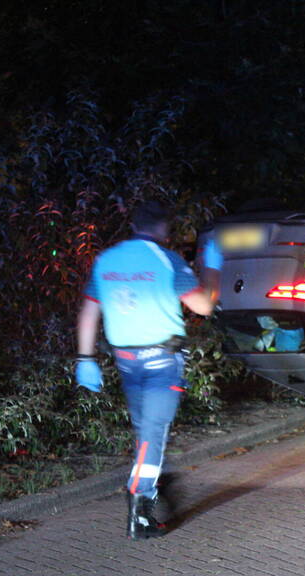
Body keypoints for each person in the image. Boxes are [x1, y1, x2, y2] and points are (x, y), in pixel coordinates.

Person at [75, 200, 214, 540]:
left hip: (126, 361)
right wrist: (213, 268)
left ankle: (151, 485)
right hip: (162, 362)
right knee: (154, 433)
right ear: (165, 228)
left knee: (144, 431)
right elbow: (204, 305)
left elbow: (89, 312)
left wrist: (84, 359)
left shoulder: (107, 260)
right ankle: (140, 506)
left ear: (134, 224)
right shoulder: (166, 260)